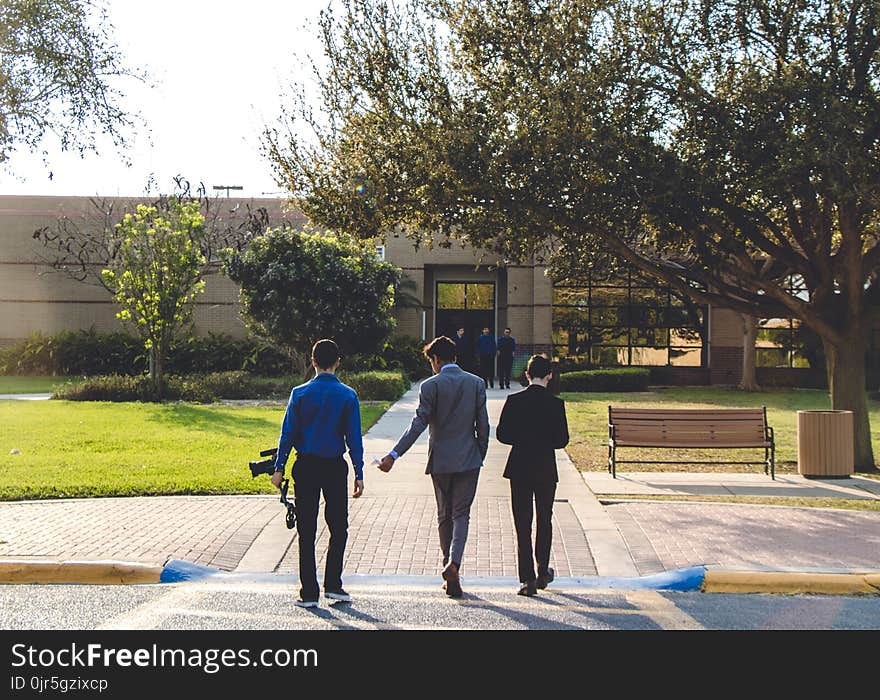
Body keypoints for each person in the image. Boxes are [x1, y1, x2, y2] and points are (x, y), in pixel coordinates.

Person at [378, 336, 489, 598]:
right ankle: (455, 564)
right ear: (455, 357)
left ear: (436, 360)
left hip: (440, 460)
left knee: (444, 515)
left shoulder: (430, 386)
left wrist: (394, 454)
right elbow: (483, 426)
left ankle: (446, 566)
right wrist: (479, 453)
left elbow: (418, 424)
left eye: (431, 361)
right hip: (469, 459)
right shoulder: (476, 384)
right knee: (461, 514)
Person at [271, 339, 365, 608]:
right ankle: (333, 584)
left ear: (312, 361)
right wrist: (358, 472)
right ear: (338, 362)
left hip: (306, 465)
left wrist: (279, 467)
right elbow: (354, 438)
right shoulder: (348, 395)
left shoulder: (299, 394)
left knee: (307, 528)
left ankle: (308, 591)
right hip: (334, 466)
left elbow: (287, 433)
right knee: (338, 526)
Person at [495, 354, 569, 596]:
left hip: (520, 466)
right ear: (549, 375)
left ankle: (527, 578)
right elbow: (562, 441)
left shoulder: (514, 400)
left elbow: (502, 434)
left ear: (527, 375)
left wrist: (522, 437)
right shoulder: (556, 404)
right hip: (546, 467)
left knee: (522, 523)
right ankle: (543, 570)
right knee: (544, 520)